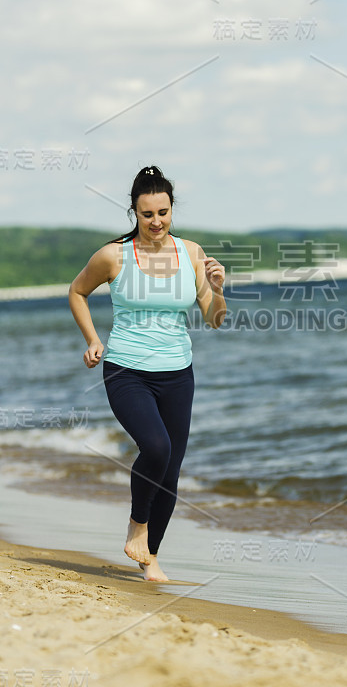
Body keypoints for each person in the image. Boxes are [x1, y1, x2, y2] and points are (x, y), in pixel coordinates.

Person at [68, 165, 226, 582]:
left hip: (178, 373)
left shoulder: (191, 253)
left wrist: (218, 288)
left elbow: (214, 320)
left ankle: (149, 556)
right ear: (133, 213)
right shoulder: (114, 255)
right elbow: (77, 291)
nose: (156, 222)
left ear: (172, 209)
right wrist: (92, 339)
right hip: (126, 370)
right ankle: (138, 524)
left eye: (163, 212)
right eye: (147, 214)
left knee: (171, 469)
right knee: (156, 447)